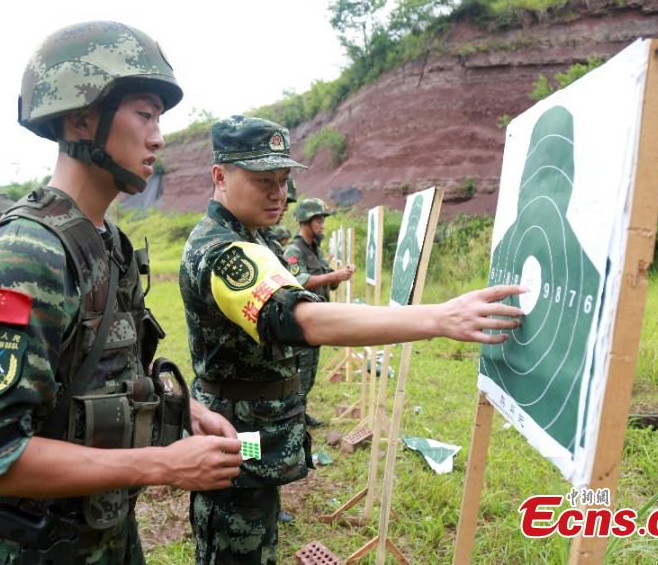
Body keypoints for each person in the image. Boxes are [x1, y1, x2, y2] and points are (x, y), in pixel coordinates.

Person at [0, 21, 242, 565]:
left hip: (106, 534)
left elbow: (103, 376)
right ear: (81, 117)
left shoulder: (108, 243)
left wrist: (185, 410)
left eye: (159, 120)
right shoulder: (26, 255)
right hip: (38, 544)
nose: (158, 137)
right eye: (144, 114)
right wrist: (161, 465)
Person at [180, 114, 524, 564]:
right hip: (235, 431)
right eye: (264, 179)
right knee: (235, 542)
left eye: (283, 180)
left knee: (256, 530)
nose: (278, 193)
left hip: (252, 431)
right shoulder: (224, 251)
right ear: (220, 177)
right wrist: (439, 317)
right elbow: (302, 320)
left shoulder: (251, 237)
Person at [284, 197, 355, 427]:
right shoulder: (294, 251)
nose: (322, 225)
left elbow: (327, 284)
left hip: (317, 323)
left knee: (309, 374)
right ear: (305, 221)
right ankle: (294, 419)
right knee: (299, 375)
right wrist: (333, 275)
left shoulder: (315, 251)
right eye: (318, 220)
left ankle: (300, 415)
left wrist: (339, 276)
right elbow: (300, 281)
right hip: (302, 323)